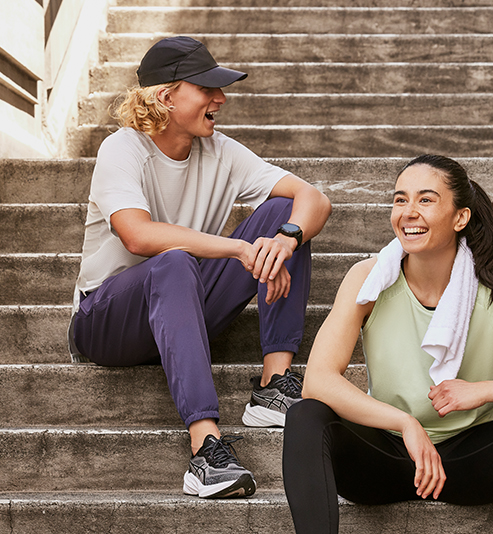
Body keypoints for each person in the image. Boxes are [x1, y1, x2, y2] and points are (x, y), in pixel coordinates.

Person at [68, 36, 332, 498]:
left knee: (284, 219)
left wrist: (287, 239)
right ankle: (205, 450)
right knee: (173, 263)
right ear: (166, 97)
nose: (221, 99)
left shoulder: (221, 152)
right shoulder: (122, 149)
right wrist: (235, 249)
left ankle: (273, 384)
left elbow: (314, 198)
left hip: (184, 311)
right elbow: (138, 235)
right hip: (107, 320)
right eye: (207, 88)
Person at [282, 154, 493, 534]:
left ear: (460, 217)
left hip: (471, 460)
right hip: (386, 456)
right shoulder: (368, 279)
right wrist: (405, 424)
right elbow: (318, 382)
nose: (409, 212)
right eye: (400, 199)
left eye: (425, 200)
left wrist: (483, 391)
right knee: (305, 415)